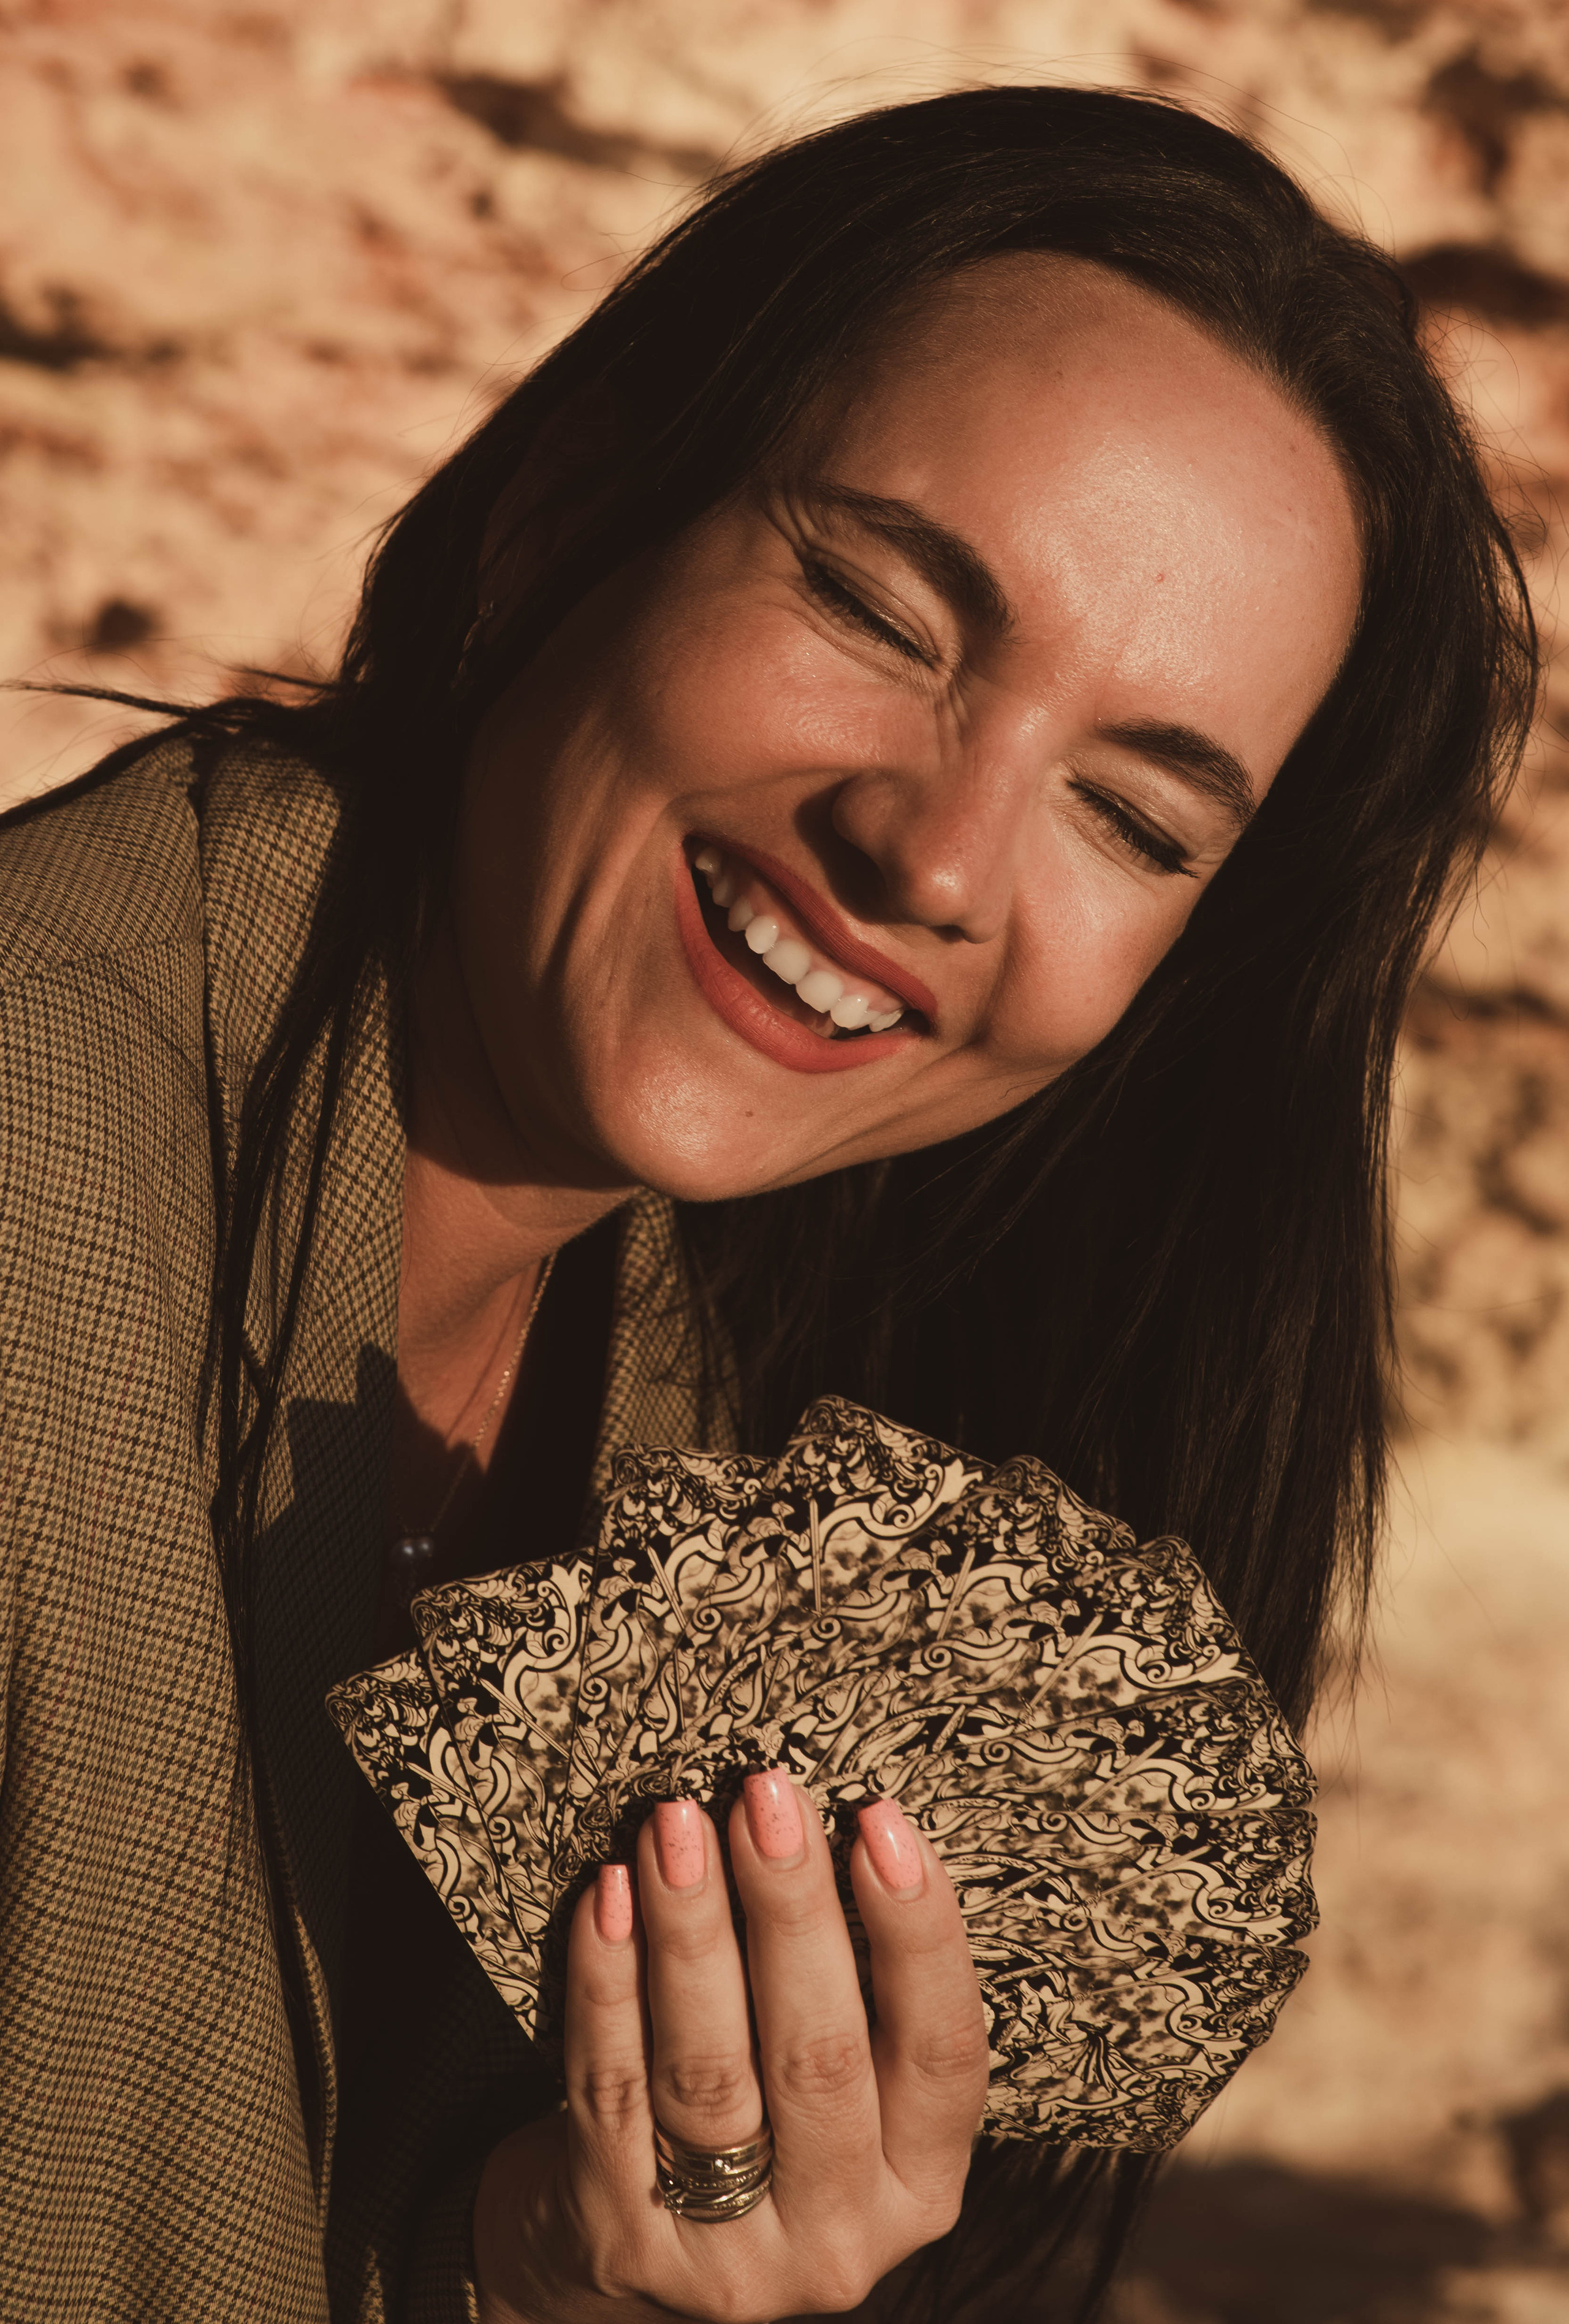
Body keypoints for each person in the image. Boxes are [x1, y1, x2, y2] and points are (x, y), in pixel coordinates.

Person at [0, 80, 1534, 2324]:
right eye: (879, 609)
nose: (937, 856)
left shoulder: (716, 1390)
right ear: (573, 503)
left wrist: (533, 2269)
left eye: (1131, 818)